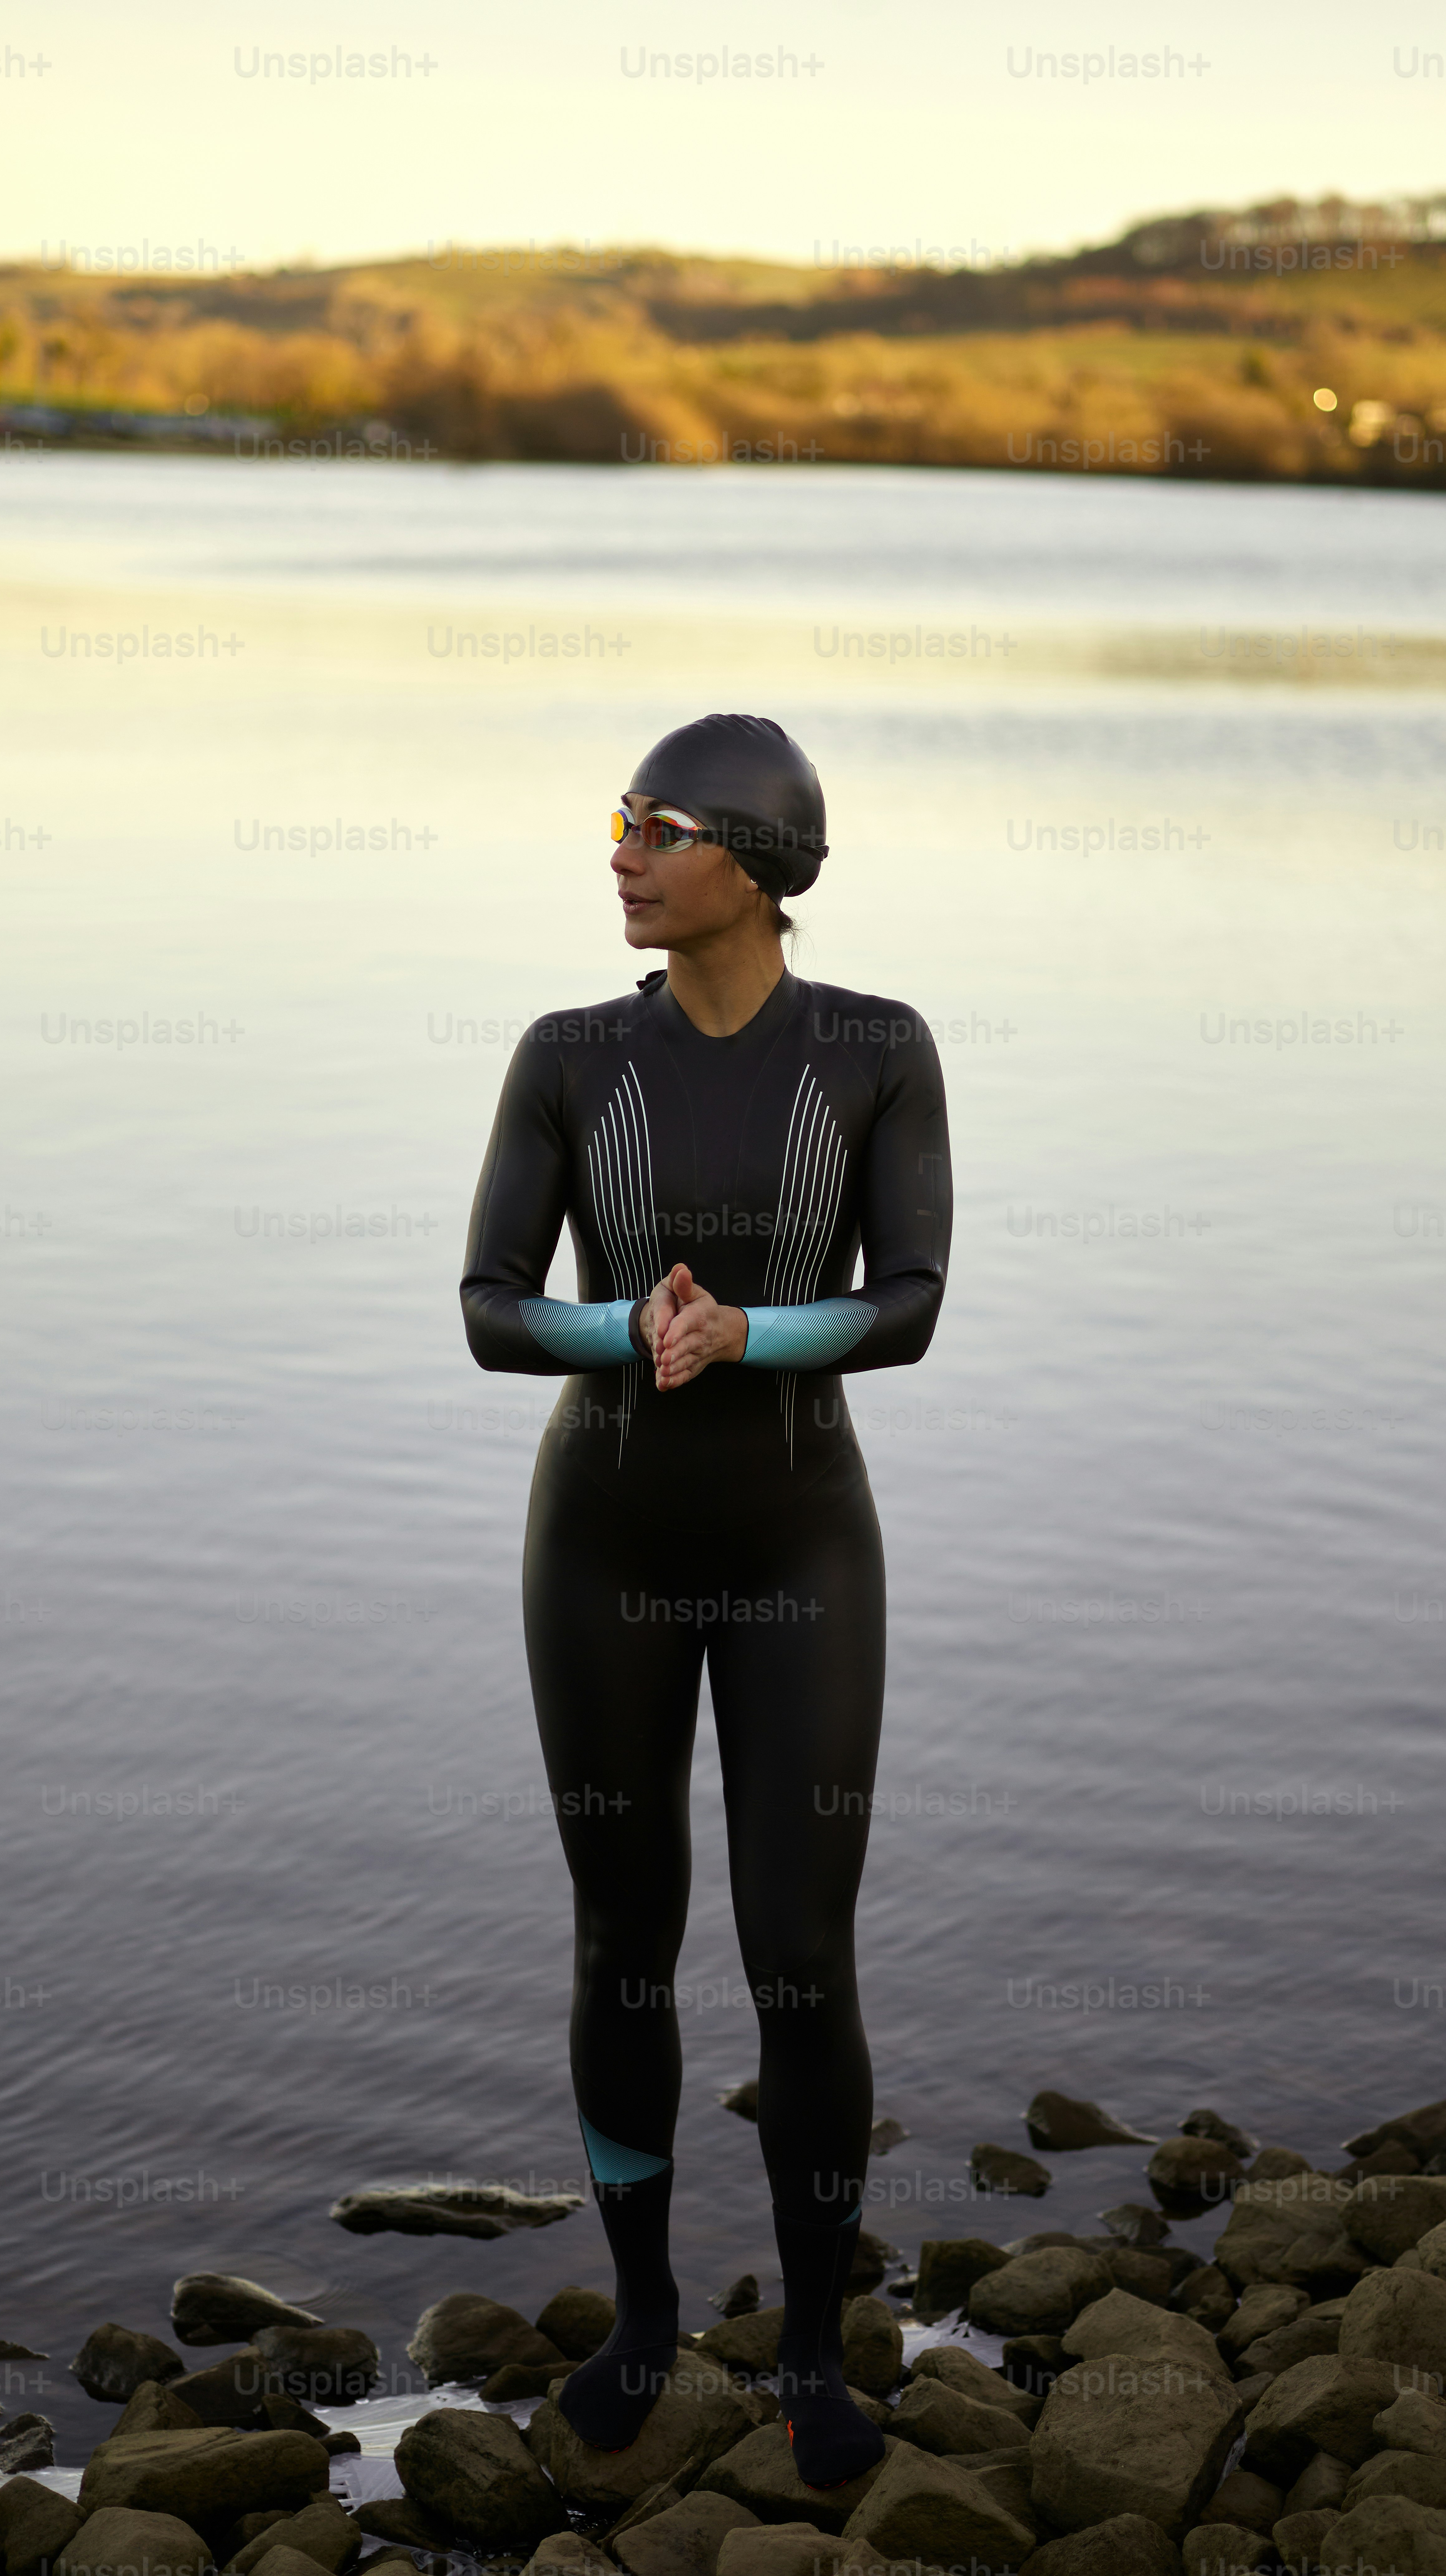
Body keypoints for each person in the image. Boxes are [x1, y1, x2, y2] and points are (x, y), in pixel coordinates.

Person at [460, 714, 952, 2488]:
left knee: (801, 1960)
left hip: (803, 1544)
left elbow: (907, 1301)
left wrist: (744, 1329)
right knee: (624, 1940)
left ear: (750, 856)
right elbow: (489, 1302)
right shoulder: (570, 1056)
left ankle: (818, 2345)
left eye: (651, 825)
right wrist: (631, 1330)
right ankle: (648, 2314)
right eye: (615, 820)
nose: (618, 849)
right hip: (604, 1542)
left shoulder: (878, 1051)